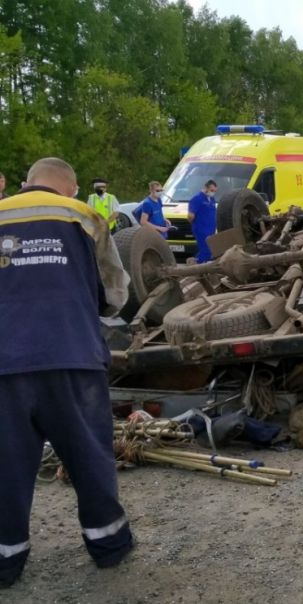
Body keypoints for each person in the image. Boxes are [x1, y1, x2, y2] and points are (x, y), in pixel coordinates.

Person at [0, 158, 134, 587]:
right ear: (72, 189)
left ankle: (7, 559)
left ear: (26, 183)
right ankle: (109, 546)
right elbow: (115, 293)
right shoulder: (85, 216)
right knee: (89, 457)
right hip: (73, 357)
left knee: (6, 463)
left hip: (5, 362)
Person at [188, 179, 218, 263]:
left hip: (210, 230)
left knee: (209, 251)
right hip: (201, 229)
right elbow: (190, 216)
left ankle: (194, 262)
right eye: (212, 190)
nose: (213, 192)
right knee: (205, 251)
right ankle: (199, 268)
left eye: (215, 191)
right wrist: (197, 225)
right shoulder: (197, 199)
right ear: (205, 188)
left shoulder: (211, 199)